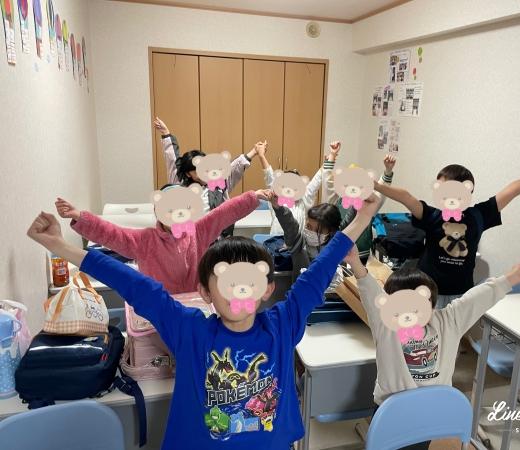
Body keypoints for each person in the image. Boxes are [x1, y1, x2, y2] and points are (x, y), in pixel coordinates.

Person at [26, 192, 381, 449]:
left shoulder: (283, 324)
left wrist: (362, 220)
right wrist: (59, 246)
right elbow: (133, 283)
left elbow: (319, 270)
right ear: (205, 291)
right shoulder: (189, 330)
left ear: (267, 289)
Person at [345, 245, 520, 450]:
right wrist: (355, 263)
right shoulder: (386, 325)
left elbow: (475, 299)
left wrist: (509, 279)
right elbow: (369, 291)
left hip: (432, 410)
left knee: (420, 445)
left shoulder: (448, 320)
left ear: (432, 304)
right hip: (394, 413)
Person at [374, 159, 520, 308]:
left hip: (461, 294)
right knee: (423, 339)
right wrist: (376, 185)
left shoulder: (478, 215)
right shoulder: (431, 215)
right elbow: (406, 197)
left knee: (452, 340)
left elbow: (514, 188)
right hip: (426, 291)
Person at [55, 188, 269, 294]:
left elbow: (224, 213)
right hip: (159, 306)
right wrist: (80, 217)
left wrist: (254, 197)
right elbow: (111, 233)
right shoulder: (145, 240)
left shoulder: (198, 231)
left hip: (195, 303)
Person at [153, 117, 263, 237]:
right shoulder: (179, 184)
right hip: (188, 239)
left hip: (216, 239)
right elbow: (172, 159)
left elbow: (234, 167)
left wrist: (254, 152)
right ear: (188, 173)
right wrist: (166, 133)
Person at [326, 150, 396, 264]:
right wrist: (330, 159)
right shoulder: (337, 199)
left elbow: (380, 193)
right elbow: (328, 182)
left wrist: (388, 171)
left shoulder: (367, 202)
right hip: (339, 251)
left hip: (361, 254)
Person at [256, 140, 340, 235]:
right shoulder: (276, 199)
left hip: (297, 243)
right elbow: (269, 175)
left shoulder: (304, 200)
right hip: (276, 241)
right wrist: (261, 156)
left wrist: (331, 157)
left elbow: (317, 179)